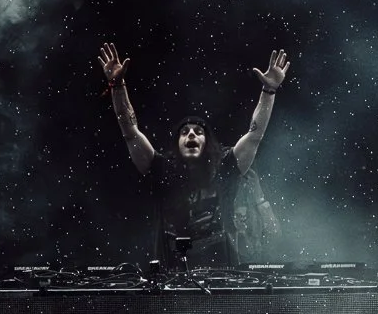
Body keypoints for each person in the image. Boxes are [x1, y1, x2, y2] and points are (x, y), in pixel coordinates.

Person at [97, 42, 289, 268]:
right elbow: (130, 133)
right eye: (184, 132)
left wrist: (269, 91)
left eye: (198, 132)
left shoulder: (225, 167)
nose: (191, 135)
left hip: (222, 276)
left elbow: (254, 135)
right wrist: (117, 85)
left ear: (207, 143)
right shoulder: (162, 170)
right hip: (171, 277)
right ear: (177, 143)